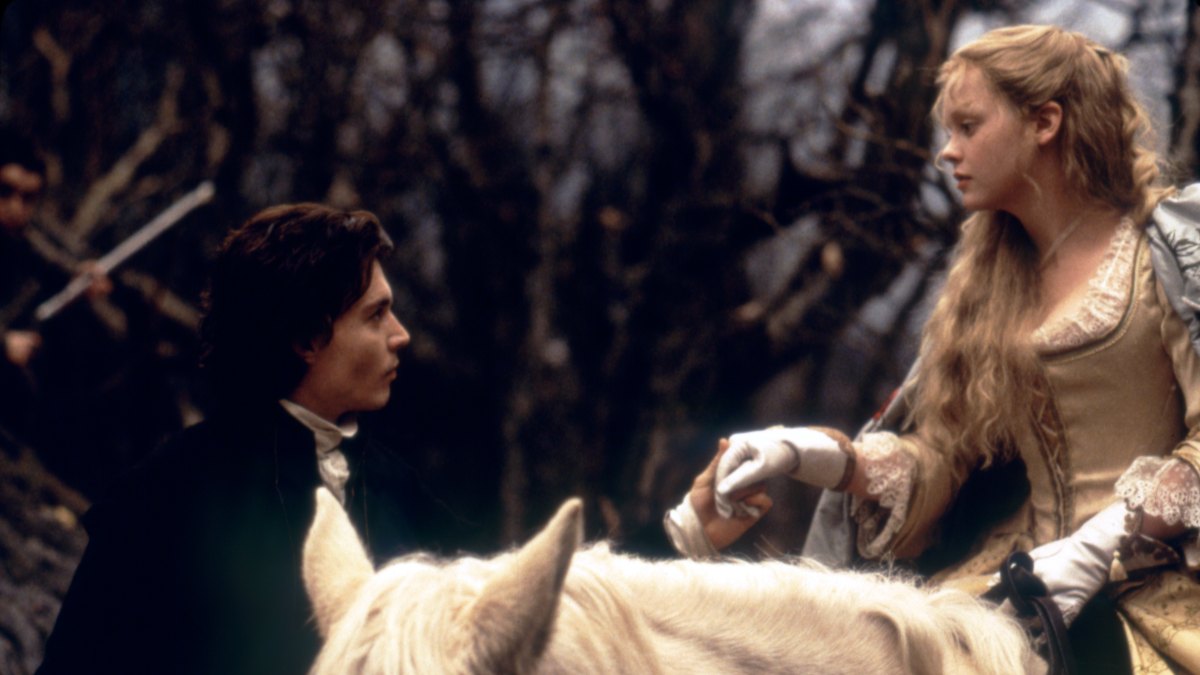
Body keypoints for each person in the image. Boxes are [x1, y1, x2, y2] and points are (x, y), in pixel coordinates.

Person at [666, 24, 1200, 673]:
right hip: (1008, 581)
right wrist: (812, 455)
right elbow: (943, 458)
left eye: (968, 126)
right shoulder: (989, 284)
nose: (948, 152)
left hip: (1150, 594)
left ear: (1046, 122)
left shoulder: (1168, 251)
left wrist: (1097, 544)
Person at [37, 203, 415, 674]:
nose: (400, 335)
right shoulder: (167, 496)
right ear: (308, 340)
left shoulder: (402, 490)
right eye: (376, 315)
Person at [0, 128, 111, 443]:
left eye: (27, 198)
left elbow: (44, 260)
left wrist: (79, 275)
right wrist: (4, 345)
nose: (14, 207)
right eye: (4, 191)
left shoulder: (15, 235)